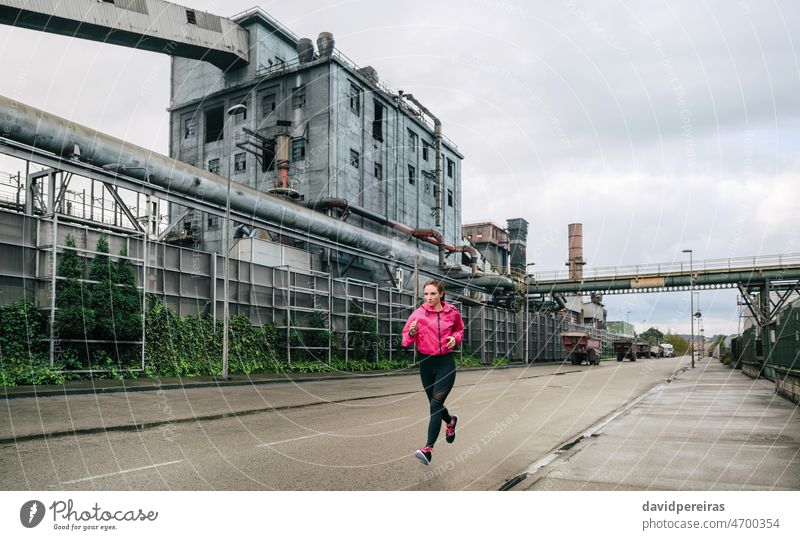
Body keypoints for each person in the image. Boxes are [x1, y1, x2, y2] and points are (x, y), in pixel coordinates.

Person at [402, 279, 464, 465]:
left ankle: (427, 449)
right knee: (435, 404)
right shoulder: (418, 314)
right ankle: (450, 421)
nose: (429, 298)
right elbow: (405, 341)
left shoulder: (452, 312)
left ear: (441, 294)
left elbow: (460, 330)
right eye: (426, 294)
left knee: (435, 405)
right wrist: (412, 333)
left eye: (433, 294)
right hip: (426, 364)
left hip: (446, 363)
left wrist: (455, 338)